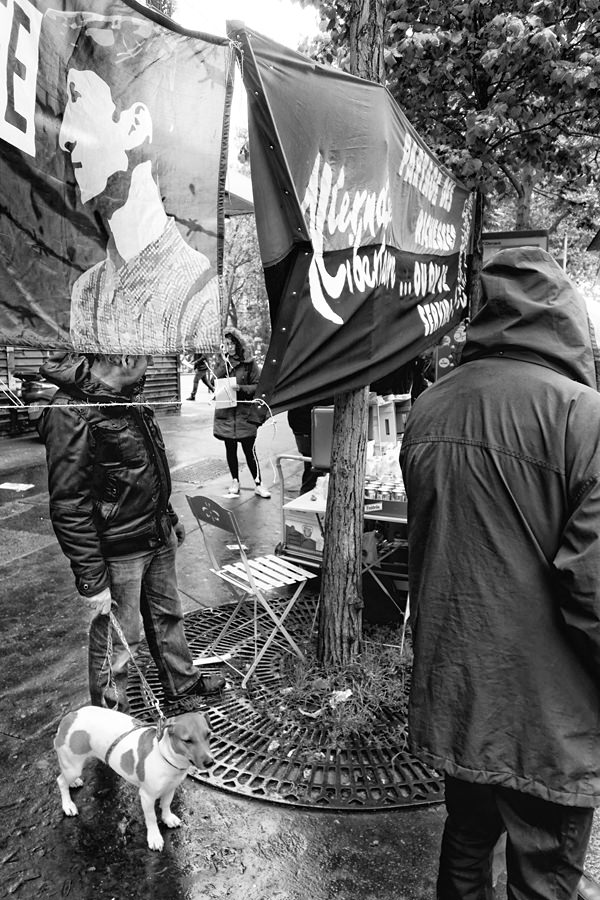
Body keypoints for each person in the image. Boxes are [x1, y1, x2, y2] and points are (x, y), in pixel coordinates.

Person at [399, 247, 600, 900]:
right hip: (550, 718)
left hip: (459, 695)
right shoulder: (584, 418)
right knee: (542, 880)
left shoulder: (429, 408)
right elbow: (592, 590)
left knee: (464, 847)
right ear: (567, 320)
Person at [37, 352, 225, 713]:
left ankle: (181, 684)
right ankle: (111, 720)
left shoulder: (127, 399)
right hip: (118, 548)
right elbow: (68, 504)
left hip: (155, 533)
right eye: (146, 358)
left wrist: (167, 516)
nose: (150, 365)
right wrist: (92, 580)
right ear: (124, 357)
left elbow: (147, 466)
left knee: (167, 616)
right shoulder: (70, 410)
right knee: (118, 641)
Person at [56, 13, 220, 354]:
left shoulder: (198, 290)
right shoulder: (87, 292)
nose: (64, 137)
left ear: (134, 127)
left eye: (79, 102)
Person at [211, 328, 271, 499]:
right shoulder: (222, 361)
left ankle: (258, 483)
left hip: (244, 414)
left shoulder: (249, 363)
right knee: (230, 449)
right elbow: (212, 380)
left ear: (237, 344)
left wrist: (241, 388)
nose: (228, 347)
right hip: (226, 413)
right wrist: (223, 362)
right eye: (225, 344)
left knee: (249, 450)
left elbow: (259, 385)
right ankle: (235, 481)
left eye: (231, 344)